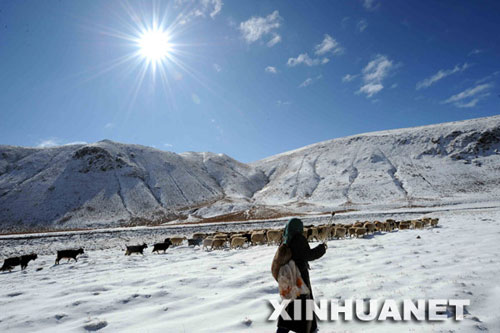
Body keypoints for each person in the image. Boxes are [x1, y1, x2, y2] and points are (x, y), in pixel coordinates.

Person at [277, 218, 327, 333]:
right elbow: (308, 255)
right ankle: (310, 329)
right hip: (299, 278)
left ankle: (282, 330)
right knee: (303, 307)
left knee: (289, 305)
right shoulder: (298, 239)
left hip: (288, 277)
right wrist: (322, 249)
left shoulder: (286, 238)